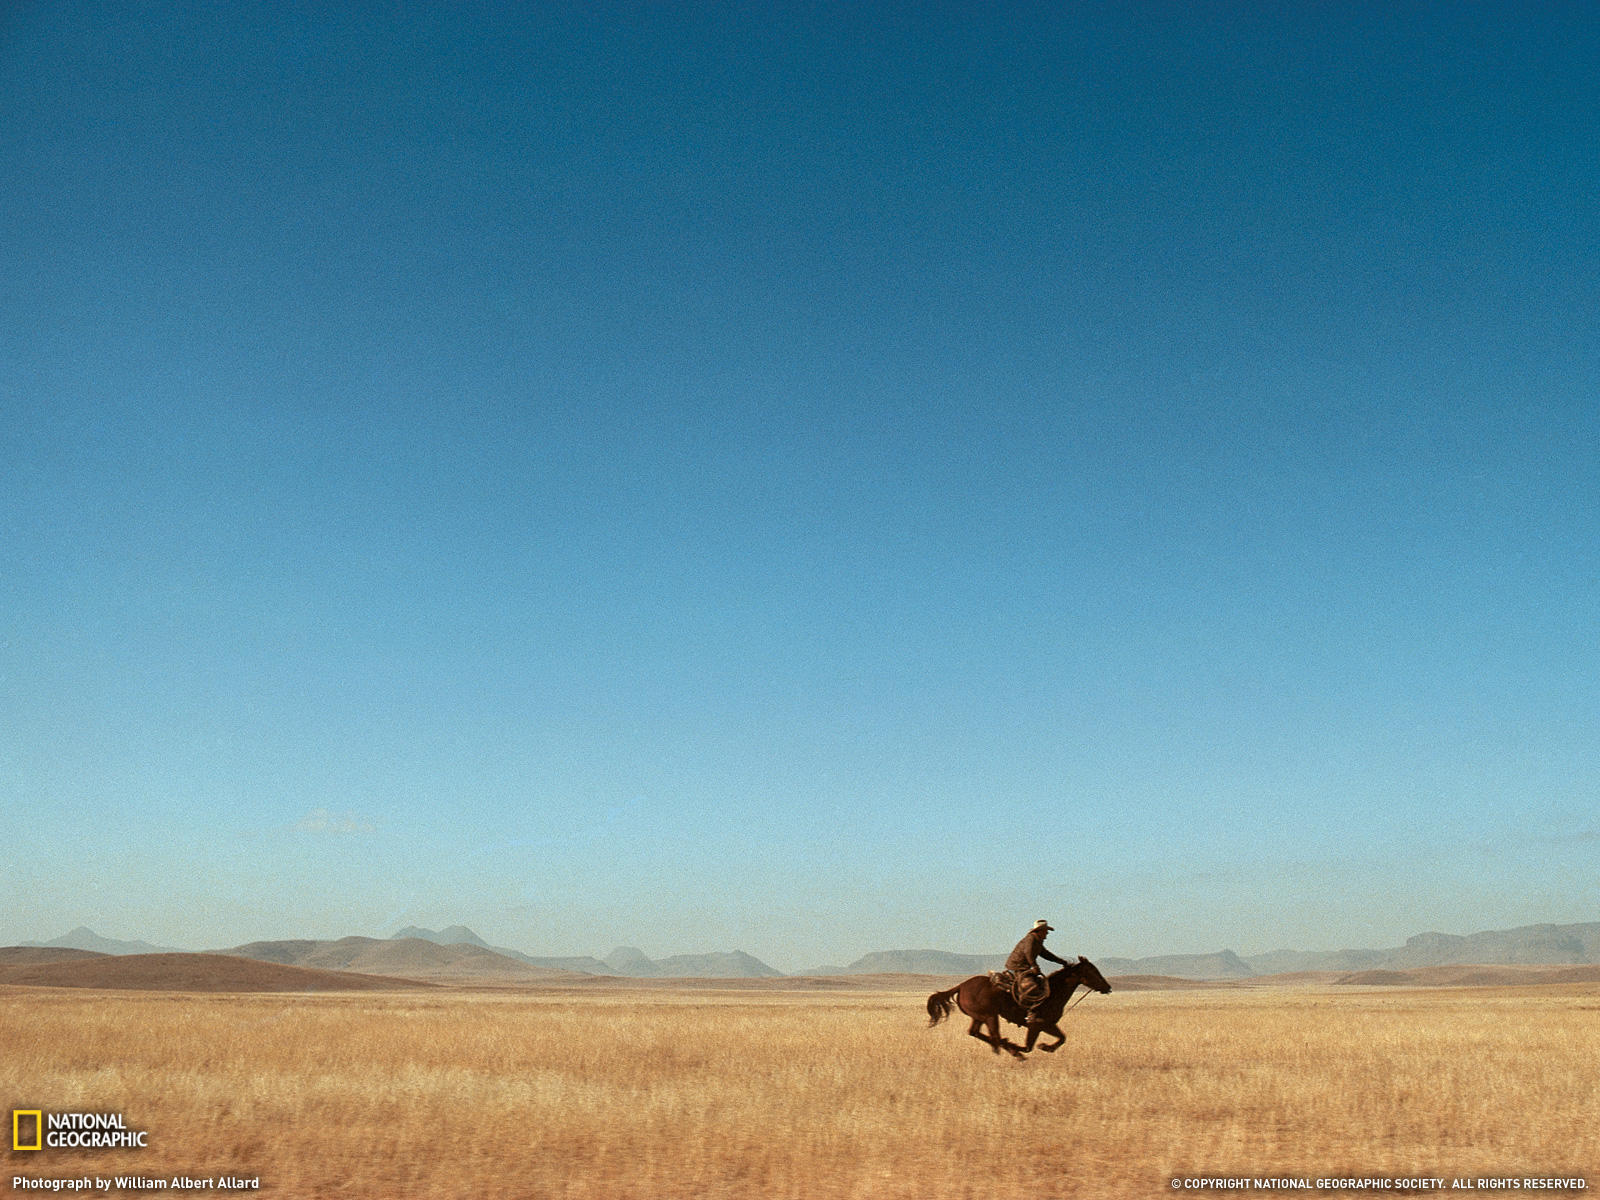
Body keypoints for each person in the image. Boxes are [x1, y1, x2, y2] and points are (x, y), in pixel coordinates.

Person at [1005, 919, 1067, 1026]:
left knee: (1041, 985)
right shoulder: (1031, 939)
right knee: (1032, 987)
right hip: (1017, 967)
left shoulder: (1038, 941)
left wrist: (1059, 961)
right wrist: (1034, 966)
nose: (1047, 933)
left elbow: (1045, 954)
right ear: (1040, 931)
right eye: (1046, 930)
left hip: (1023, 967)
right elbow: (1028, 953)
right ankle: (1027, 1013)